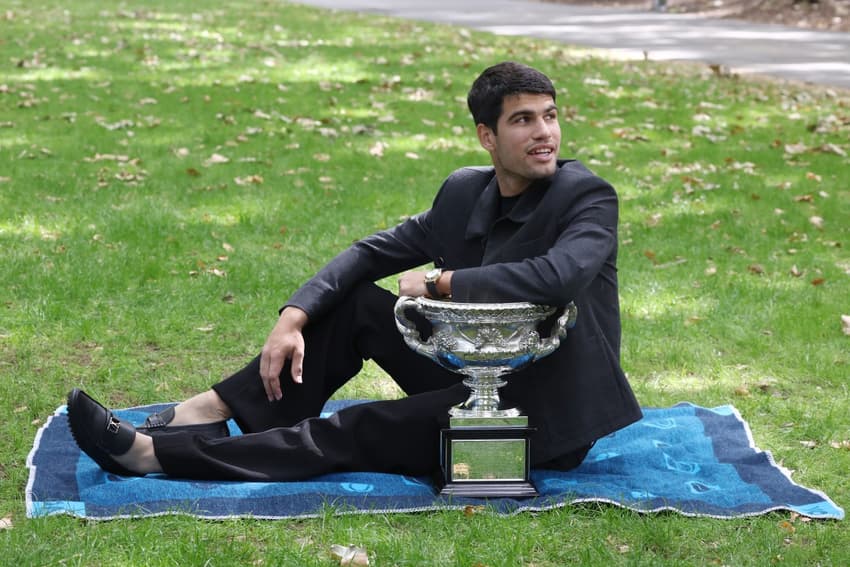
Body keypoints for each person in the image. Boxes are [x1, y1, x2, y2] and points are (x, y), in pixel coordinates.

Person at [67, 61, 642, 482]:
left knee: (360, 428)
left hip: (547, 409)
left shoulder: (587, 195)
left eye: (549, 116)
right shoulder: (466, 190)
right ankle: (216, 412)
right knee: (354, 305)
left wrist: (441, 283)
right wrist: (293, 315)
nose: (544, 133)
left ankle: (154, 456)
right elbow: (373, 252)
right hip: (464, 369)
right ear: (486, 137)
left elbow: (556, 276)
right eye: (523, 120)